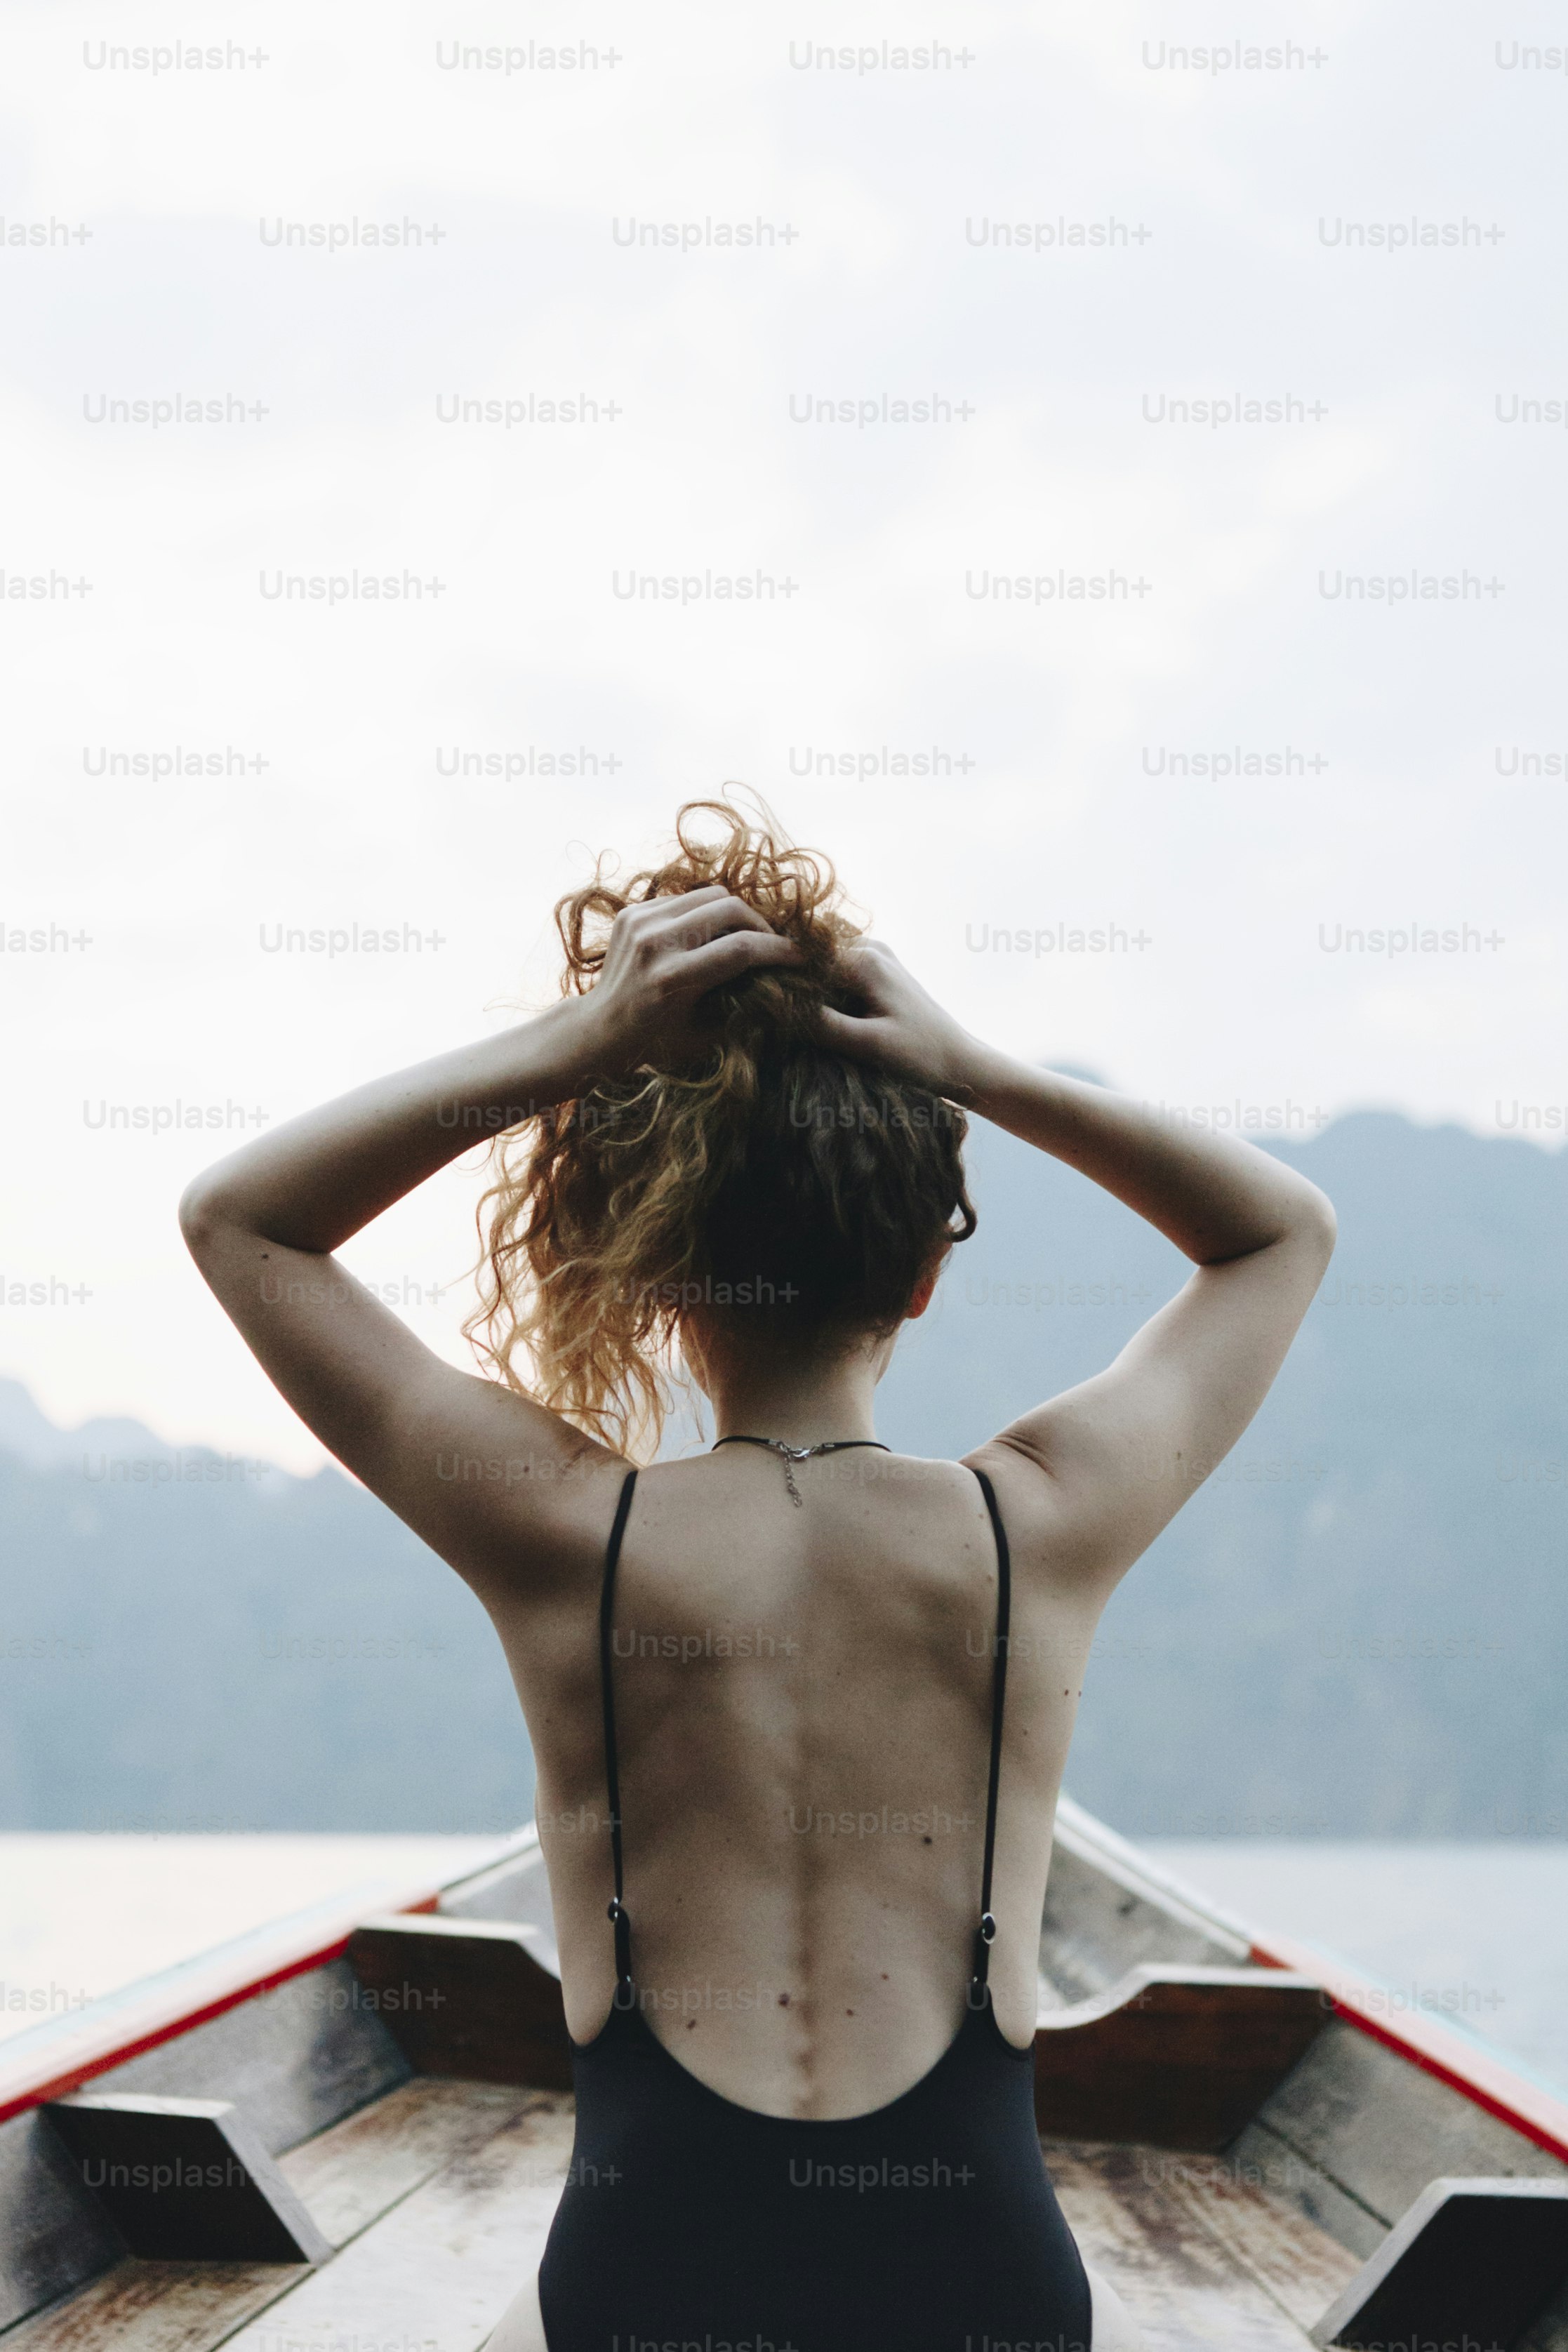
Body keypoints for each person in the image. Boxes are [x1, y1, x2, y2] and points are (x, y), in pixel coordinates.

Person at [180, 800, 1335, 2351]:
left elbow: (243, 1220)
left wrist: (572, 1043)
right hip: (975, 2281)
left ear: (650, 1270)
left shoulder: (561, 1533)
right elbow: (1278, 1233)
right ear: (928, 1268)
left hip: (649, 2280)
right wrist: (973, 1065)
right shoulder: (1040, 1522)